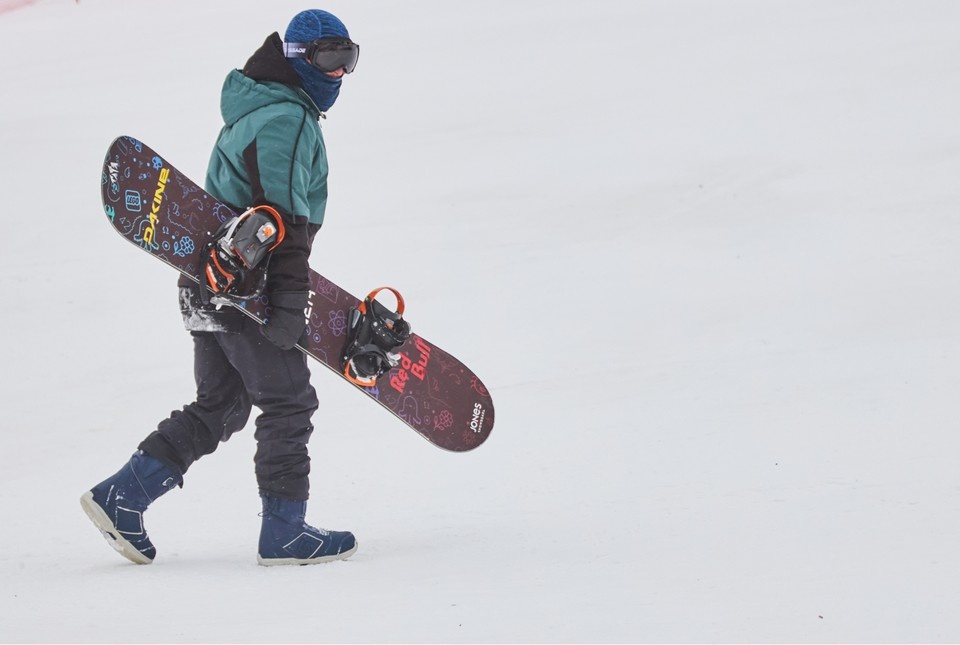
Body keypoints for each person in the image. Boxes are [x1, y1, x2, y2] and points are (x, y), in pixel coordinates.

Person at [80, 9, 361, 566]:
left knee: (223, 405)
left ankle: (123, 495)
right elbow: (282, 217)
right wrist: (286, 304)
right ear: (299, 59)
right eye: (329, 59)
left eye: (349, 59)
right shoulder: (287, 118)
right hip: (246, 290)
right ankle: (285, 530)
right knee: (289, 401)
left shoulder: (252, 108)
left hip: (204, 284)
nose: (339, 75)